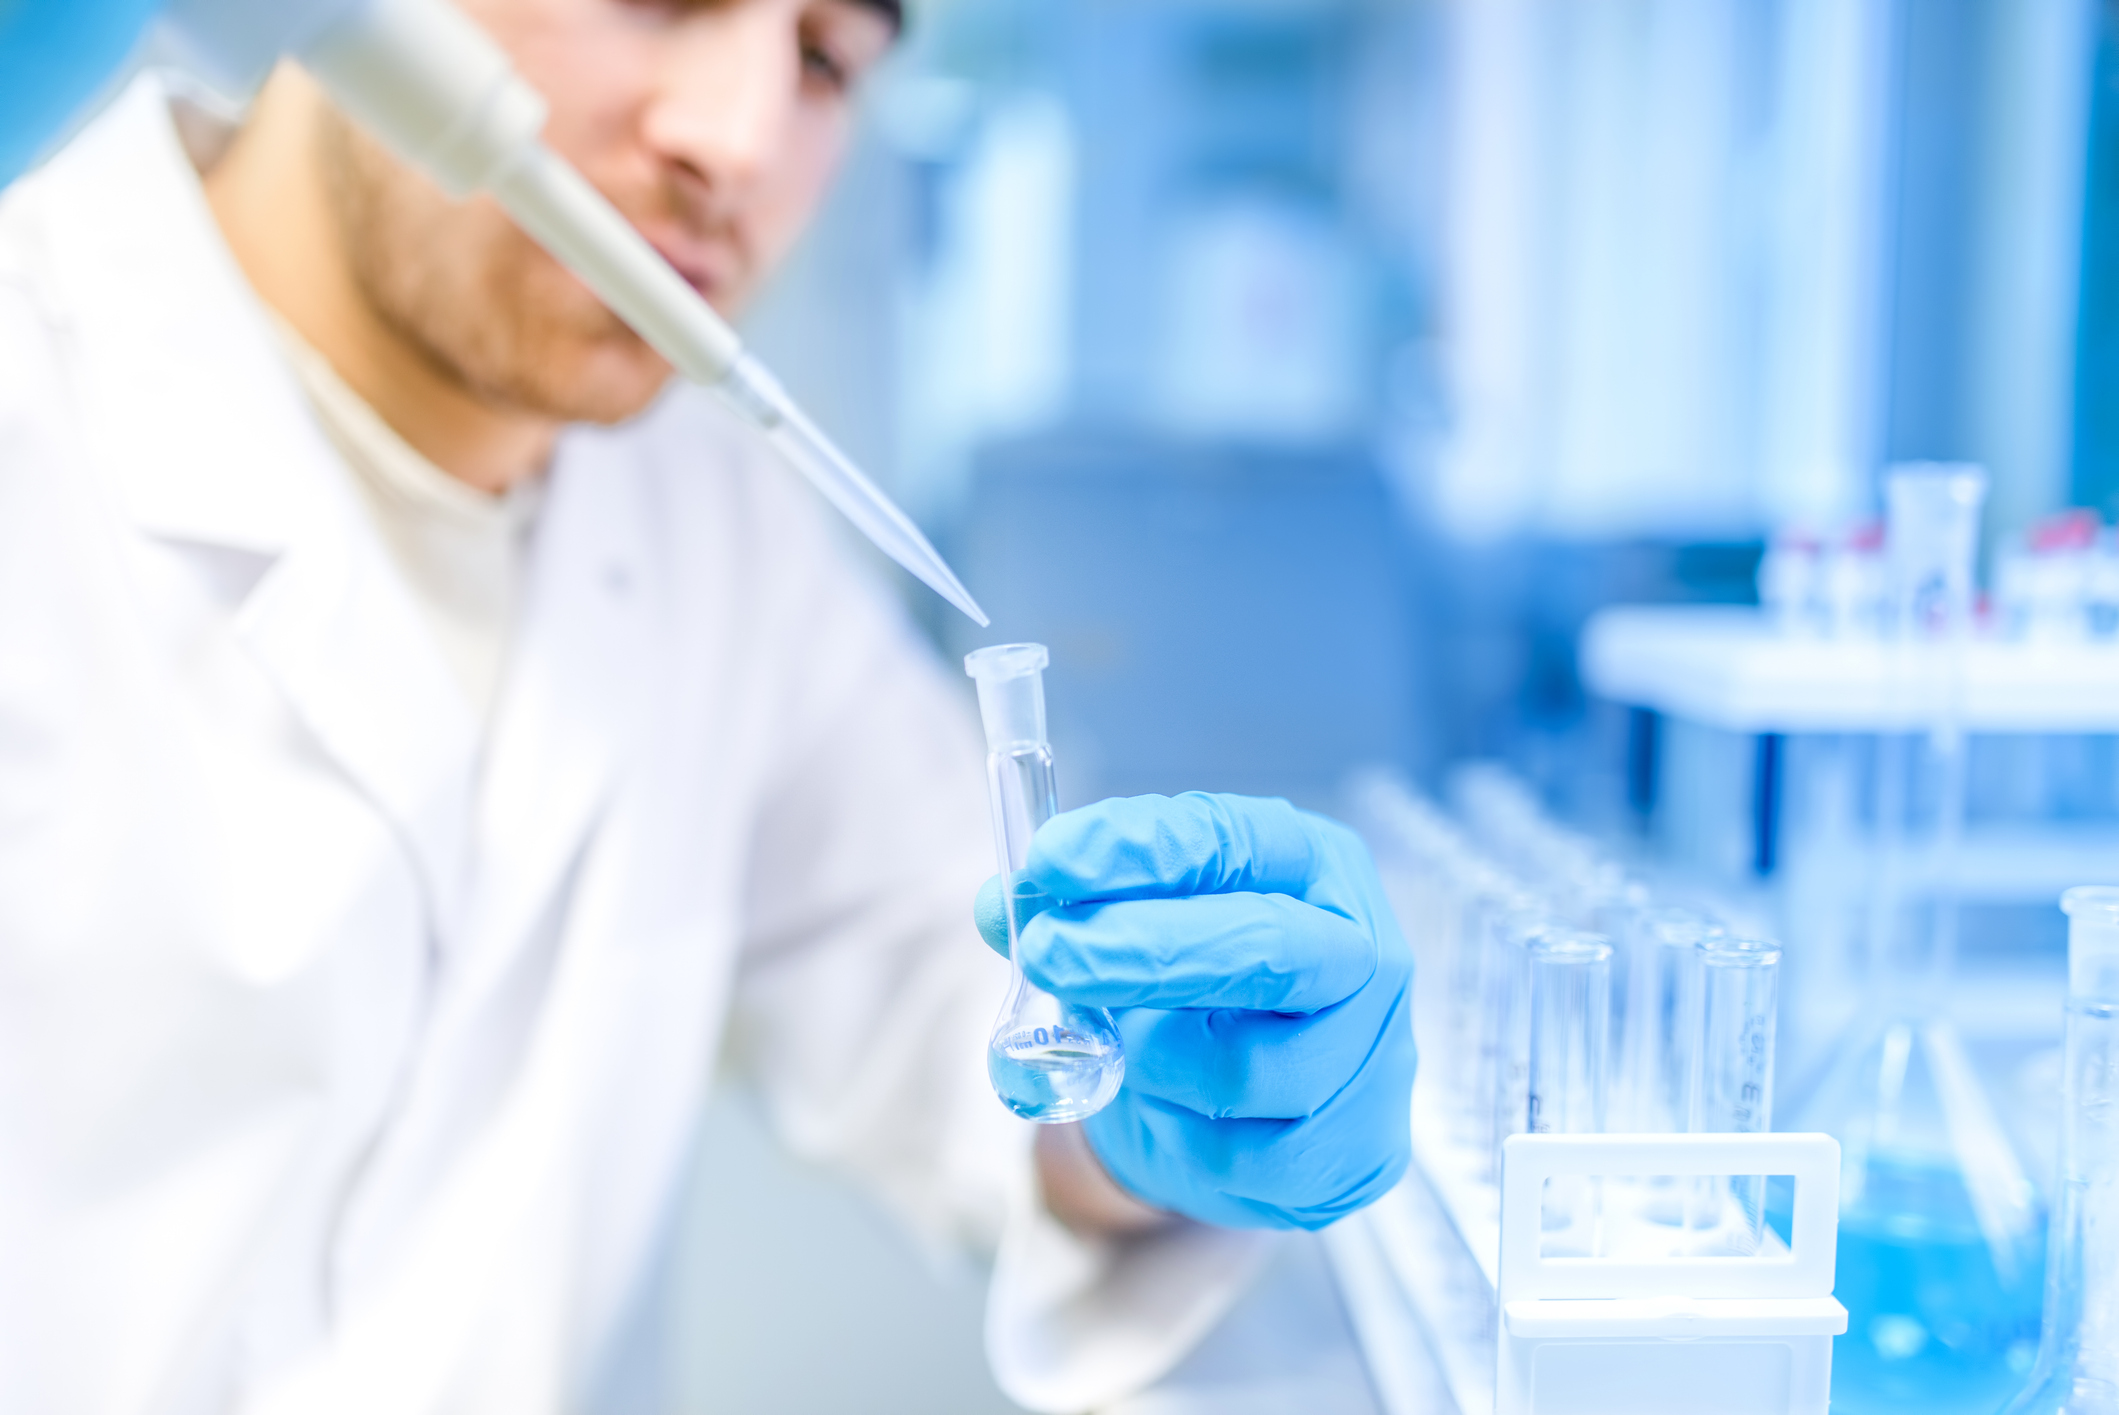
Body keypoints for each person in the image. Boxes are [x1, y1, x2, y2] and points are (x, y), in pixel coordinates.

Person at [0, 0, 1416, 1410]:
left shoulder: (711, 522)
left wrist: (1166, 1088)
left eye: (822, 61)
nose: (733, 141)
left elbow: (953, 997)